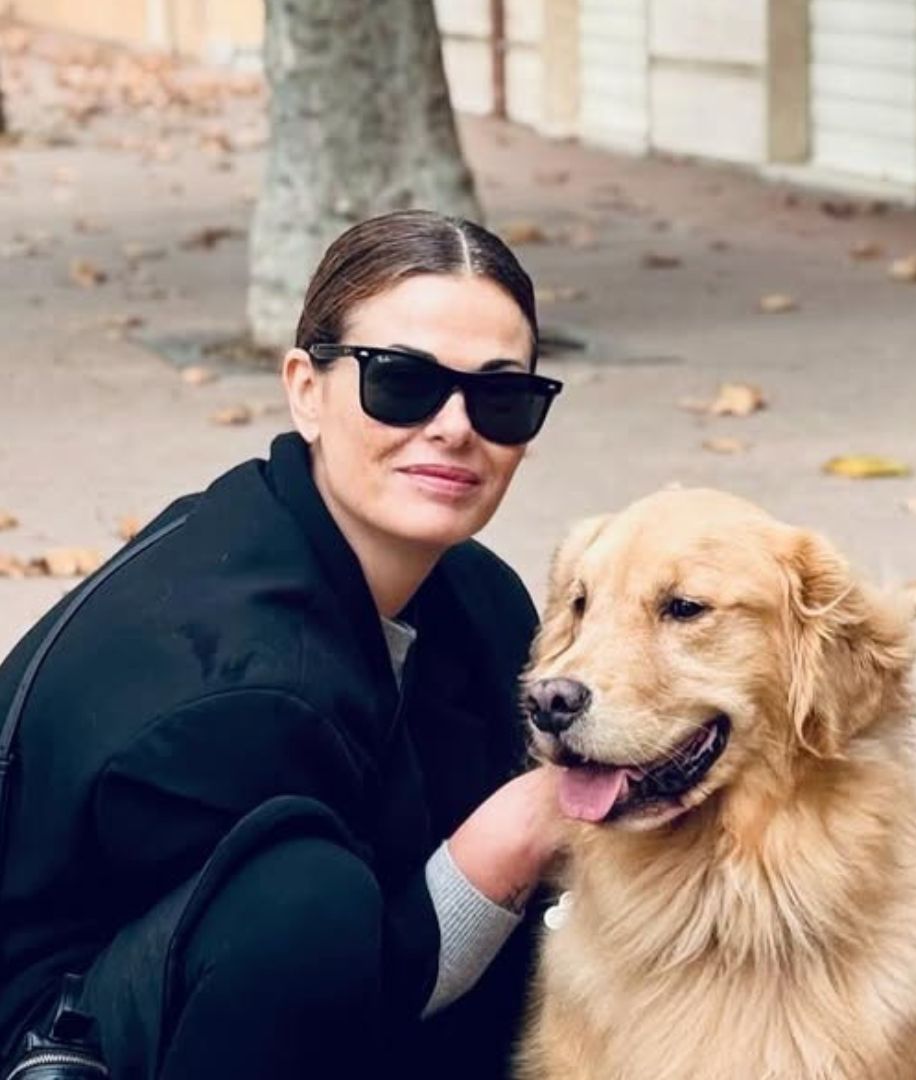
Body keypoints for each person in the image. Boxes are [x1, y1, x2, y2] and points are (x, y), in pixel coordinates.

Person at [0, 209, 568, 1079]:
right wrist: (520, 830)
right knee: (304, 903)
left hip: (241, 999)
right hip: (62, 1036)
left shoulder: (471, 592)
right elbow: (322, 984)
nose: (456, 426)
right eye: (402, 381)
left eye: (501, 398)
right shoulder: (240, 688)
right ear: (305, 389)